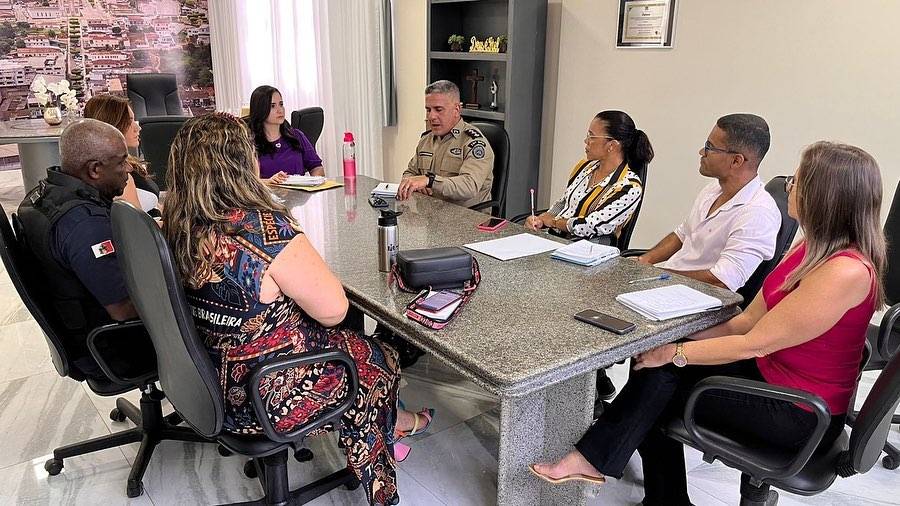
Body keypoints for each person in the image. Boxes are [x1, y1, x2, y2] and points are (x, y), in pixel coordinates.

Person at [531, 141, 885, 505]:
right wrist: (664, 340)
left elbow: (754, 342)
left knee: (659, 389)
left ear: (824, 196)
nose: (789, 186)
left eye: (798, 180)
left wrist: (676, 352)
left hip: (799, 413)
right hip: (772, 375)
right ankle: (616, 472)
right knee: (652, 372)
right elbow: (744, 321)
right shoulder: (809, 248)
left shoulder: (846, 272)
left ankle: (603, 465)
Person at [162, 113, 426, 505]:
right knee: (378, 356)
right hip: (264, 395)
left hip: (208, 379)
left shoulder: (177, 223)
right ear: (240, 163)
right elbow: (334, 311)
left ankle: (389, 425)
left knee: (349, 344)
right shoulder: (261, 228)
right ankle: (381, 486)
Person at [17, 119, 149, 379]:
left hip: (82, 336)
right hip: (112, 348)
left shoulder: (46, 196)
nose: (128, 170)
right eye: (121, 162)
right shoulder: (85, 225)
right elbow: (123, 310)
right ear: (95, 170)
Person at [637, 114, 781, 291]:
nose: (701, 152)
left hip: (696, 299)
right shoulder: (713, 189)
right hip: (669, 283)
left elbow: (722, 281)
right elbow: (682, 234)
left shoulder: (757, 213)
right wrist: (643, 262)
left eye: (709, 147)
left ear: (736, 160)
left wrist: (658, 277)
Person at [525, 110, 653, 245]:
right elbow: (564, 203)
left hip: (587, 252)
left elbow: (591, 225)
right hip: (557, 242)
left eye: (592, 136)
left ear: (612, 145)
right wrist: (541, 219)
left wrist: (555, 222)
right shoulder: (585, 168)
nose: (586, 141)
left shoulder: (629, 187)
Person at [397, 80, 494, 208]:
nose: (431, 116)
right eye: (428, 110)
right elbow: (410, 173)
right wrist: (417, 185)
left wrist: (430, 181)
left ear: (456, 110)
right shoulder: (426, 140)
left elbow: (469, 186)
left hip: (468, 220)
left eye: (438, 109)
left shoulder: (474, 143)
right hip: (432, 215)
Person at [83, 94, 161, 216]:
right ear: (112, 126)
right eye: (129, 122)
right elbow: (138, 227)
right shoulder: (119, 178)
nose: (138, 127)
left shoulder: (123, 163)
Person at [248, 85, 325, 185]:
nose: (280, 110)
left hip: (299, 197)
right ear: (260, 109)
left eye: (281, 104)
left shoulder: (296, 136)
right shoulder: (250, 143)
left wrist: (314, 185)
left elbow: (317, 167)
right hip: (267, 198)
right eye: (272, 106)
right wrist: (268, 182)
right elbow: (244, 183)